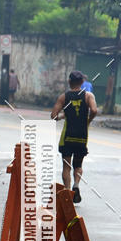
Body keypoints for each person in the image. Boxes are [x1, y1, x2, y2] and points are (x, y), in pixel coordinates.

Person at [51, 69, 97, 204]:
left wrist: (62, 116)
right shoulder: (88, 96)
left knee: (66, 166)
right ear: (82, 82)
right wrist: (88, 120)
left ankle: (67, 192)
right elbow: (94, 110)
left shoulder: (64, 97)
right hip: (81, 137)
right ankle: (76, 185)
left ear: (69, 82)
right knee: (78, 164)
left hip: (67, 137)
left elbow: (53, 116)